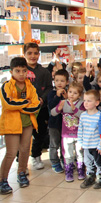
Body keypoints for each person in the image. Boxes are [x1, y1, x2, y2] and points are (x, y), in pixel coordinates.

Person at [0, 57, 40, 194]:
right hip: (12, 125)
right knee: (11, 153)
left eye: (24, 71)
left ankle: (21, 173)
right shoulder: (6, 86)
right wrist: (26, 103)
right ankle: (2, 180)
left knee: (25, 150)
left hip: (27, 123)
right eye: (18, 71)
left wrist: (20, 105)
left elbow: (36, 105)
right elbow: (8, 104)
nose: (21, 74)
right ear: (11, 72)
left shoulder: (30, 86)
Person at [24, 42, 53, 170]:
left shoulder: (44, 72)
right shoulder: (22, 71)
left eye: (35, 53)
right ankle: (21, 159)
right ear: (24, 54)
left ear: (39, 54)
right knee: (24, 134)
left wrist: (42, 99)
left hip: (41, 108)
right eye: (29, 53)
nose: (33, 56)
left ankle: (36, 156)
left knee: (39, 133)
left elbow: (48, 88)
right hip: (24, 109)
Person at [51, 82, 85, 182]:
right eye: (70, 92)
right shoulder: (63, 102)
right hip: (66, 135)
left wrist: (74, 109)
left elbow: (83, 115)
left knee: (80, 153)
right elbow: (53, 113)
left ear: (79, 95)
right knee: (68, 154)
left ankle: (81, 170)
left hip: (79, 135)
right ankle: (68, 171)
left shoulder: (81, 104)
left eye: (75, 93)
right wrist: (59, 108)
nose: (71, 94)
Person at [78, 90, 101, 189]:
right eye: (85, 100)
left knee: (98, 162)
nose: (85, 103)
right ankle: (90, 176)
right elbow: (80, 130)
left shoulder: (100, 116)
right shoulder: (83, 115)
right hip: (86, 145)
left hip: (96, 146)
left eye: (89, 101)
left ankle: (100, 176)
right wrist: (80, 142)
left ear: (97, 103)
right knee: (88, 162)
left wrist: (100, 146)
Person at [47, 69, 69, 173]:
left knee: (63, 144)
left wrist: (67, 98)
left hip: (65, 124)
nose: (59, 83)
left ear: (67, 82)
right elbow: (51, 106)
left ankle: (63, 160)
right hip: (54, 124)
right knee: (54, 144)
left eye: (62, 81)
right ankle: (54, 162)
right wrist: (57, 96)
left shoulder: (68, 92)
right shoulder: (51, 93)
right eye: (57, 80)